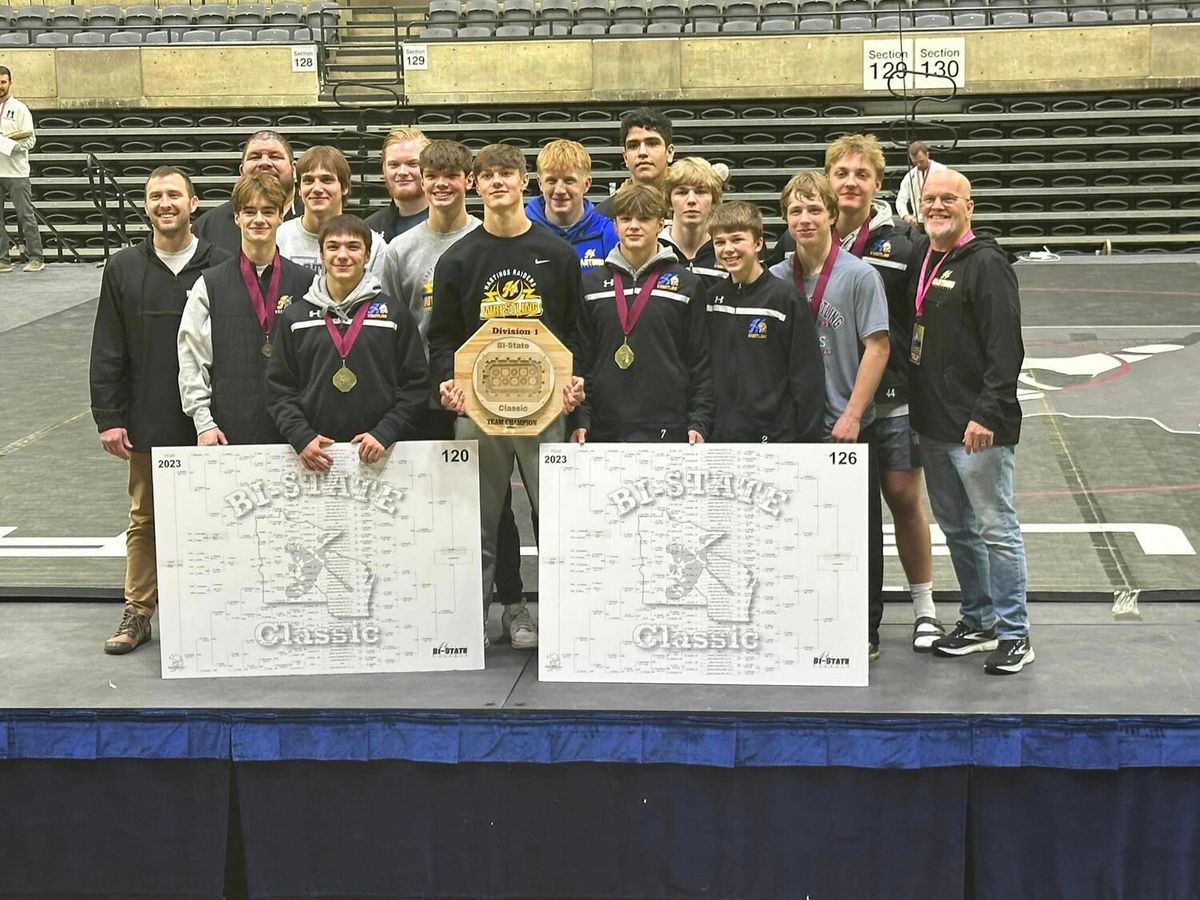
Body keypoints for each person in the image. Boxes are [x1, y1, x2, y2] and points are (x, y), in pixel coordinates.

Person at [427, 143, 584, 651]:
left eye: (507, 174)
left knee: (557, 514)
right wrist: (446, 383)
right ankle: (469, 622)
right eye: (488, 175)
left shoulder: (558, 255)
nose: (498, 183)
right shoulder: (458, 259)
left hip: (546, 410)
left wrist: (578, 389)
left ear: (524, 183)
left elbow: (576, 335)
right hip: (476, 409)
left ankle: (567, 622)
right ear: (476, 185)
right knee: (477, 518)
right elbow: (442, 339)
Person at [89, 166, 229, 654]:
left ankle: (221, 608)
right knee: (145, 519)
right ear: (146, 206)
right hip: (147, 419)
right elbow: (108, 348)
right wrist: (109, 418)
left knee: (220, 516)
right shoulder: (122, 268)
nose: (165, 203)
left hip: (214, 423)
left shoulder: (222, 264)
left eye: (174, 194)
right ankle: (138, 611)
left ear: (194, 204)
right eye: (155, 196)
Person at [910, 168, 1034, 675]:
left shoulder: (987, 264)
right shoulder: (927, 255)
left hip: (977, 427)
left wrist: (987, 412)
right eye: (930, 199)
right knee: (958, 528)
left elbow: (1006, 347)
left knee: (996, 528)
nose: (937, 206)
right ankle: (979, 620)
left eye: (948, 199)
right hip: (935, 425)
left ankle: (1014, 633)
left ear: (969, 206)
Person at [768, 171, 889, 661]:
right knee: (798, 532)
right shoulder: (774, 277)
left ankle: (866, 627)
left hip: (845, 426)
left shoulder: (860, 275)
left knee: (857, 533)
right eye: (796, 211)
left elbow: (877, 347)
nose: (805, 219)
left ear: (832, 216)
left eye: (814, 209)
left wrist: (854, 415)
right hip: (794, 429)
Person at [826, 133, 938, 652]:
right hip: (831, 400)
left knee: (900, 496)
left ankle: (925, 608)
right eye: (842, 174)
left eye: (861, 175)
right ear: (829, 179)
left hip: (892, 398)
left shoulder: (904, 243)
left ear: (877, 183)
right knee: (842, 509)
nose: (851, 183)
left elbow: (920, 320)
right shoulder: (804, 238)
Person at [267, 214, 428, 471]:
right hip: (315, 454)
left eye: (353, 247)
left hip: (379, 454)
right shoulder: (295, 318)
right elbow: (279, 388)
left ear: (367, 256)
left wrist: (385, 433)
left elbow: (416, 385)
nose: (342, 255)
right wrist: (301, 436)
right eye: (333, 247)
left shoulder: (394, 315)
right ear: (321, 255)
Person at [178, 172, 315, 446]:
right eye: (249, 211)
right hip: (227, 429)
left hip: (296, 431)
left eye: (268, 211)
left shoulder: (307, 283)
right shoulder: (209, 284)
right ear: (237, 217)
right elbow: (192, 358)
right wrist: (204, 424)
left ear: (282, 214)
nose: (259, 220)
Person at [571, 182, 712, 444]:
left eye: (644, 218)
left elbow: (700, 360)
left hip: (670, 425)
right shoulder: (590, 285)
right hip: (603, 426)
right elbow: (581, 358)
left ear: (660, 223)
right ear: (615, 225)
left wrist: (699, 420)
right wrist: (581, 418)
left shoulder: (687, 285)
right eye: (626, 218)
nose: (634, 226)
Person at [705, 200, 824, 443]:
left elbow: (806, 377)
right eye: (720, 242)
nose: (728, 249)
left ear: (758, 243)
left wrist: (806, 440)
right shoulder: (711, 299)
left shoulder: (785, 299)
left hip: (775, 436)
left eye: (737, 239)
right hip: (721, 435)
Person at [276, 145, 387, 276]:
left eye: (326, 180)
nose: (317, 188)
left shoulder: (372, 244)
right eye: (308, 180)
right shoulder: (278, 237)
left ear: (344, 187)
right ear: (299, 189)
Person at [193, 130, 300, 254]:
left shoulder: (316, 221)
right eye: (255, 157)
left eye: (274, 156)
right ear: (241, 170)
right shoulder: (208, 227)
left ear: (293, 169)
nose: (264, 162)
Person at [525, 138, 618, 270]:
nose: (560, 190)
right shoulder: (522, 232)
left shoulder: (607, 232)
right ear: (540, 183)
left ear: (587, 184)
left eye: (569, 181)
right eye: (551, 181)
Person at [659, 157, 728, 289]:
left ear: (713, 201)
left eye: (700, 192)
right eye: (682, 192)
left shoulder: (728, 251)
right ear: (669, 201)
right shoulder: (653, 250)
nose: (691, 200)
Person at [0, 65, 43, 273]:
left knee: (25, 215)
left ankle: (36, 257)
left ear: (10, 82)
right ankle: (3, 259)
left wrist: (10, 145)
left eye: (3, 82)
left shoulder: (19, 108)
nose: (0, 86)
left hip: (16, 172)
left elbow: (31, 140)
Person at [595, 107, 675, 218]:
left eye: (652, 143)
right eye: (633, 146)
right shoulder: (604, 216)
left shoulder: (693, 206)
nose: (642, 152)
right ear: (625, 157)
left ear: (669, 153)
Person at [366, 127, 430, 243]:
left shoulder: (448, 225)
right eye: (394, 165)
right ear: (384, 170)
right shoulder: (369, 230)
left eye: (412, 164)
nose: (402, 172)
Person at [894, 140, 946, 230]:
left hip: (938, 220)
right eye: (915, 162)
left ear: (927, 155)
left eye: (921, 161)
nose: (918, 165)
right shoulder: (910, 176)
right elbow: (900, 200)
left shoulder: (942, 171)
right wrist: (905, 215)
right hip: (919, 223)